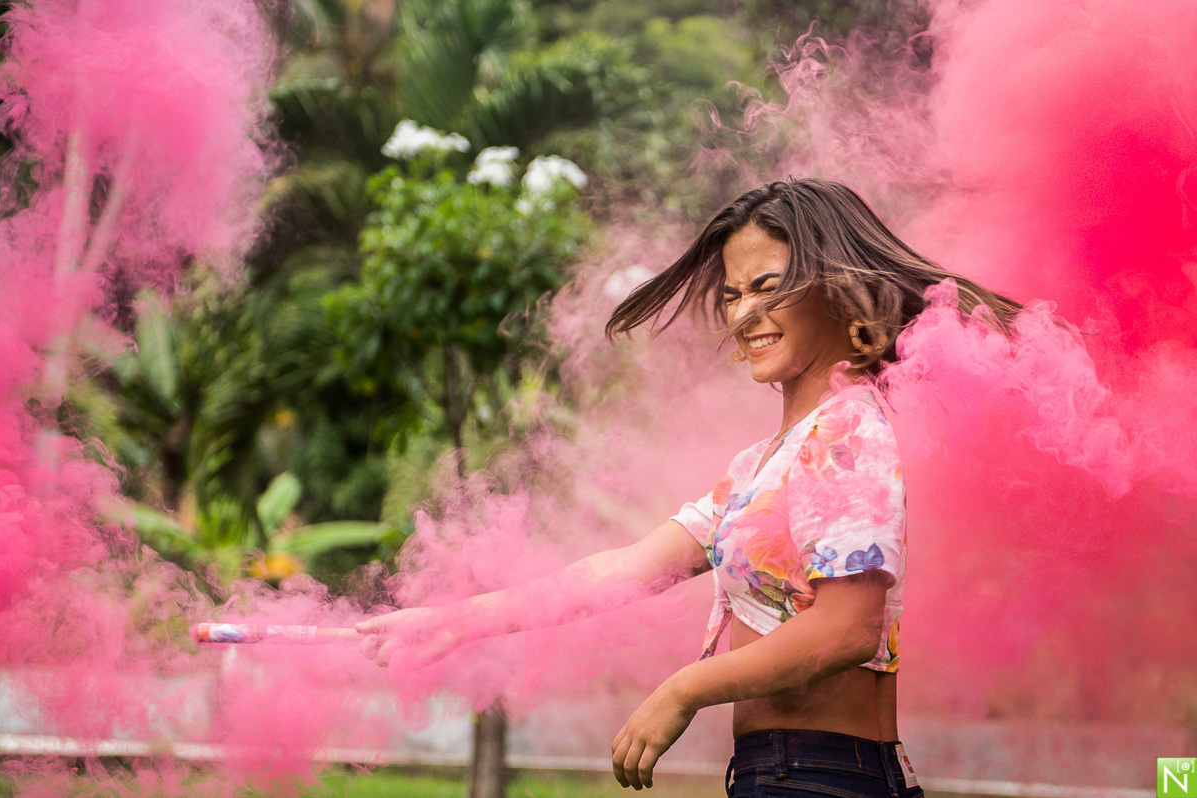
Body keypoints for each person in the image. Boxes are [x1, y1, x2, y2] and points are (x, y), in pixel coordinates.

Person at [357, 177, 1022, 796]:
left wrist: (682, 690)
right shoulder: (763, 463)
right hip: (786, 771)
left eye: (767, 286)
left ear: (833, 288)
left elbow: (848, 628)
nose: (743, 313)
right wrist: (457, 621)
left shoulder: (846, 431)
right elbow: (619, 571)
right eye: (733, 294)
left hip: (823, 774)